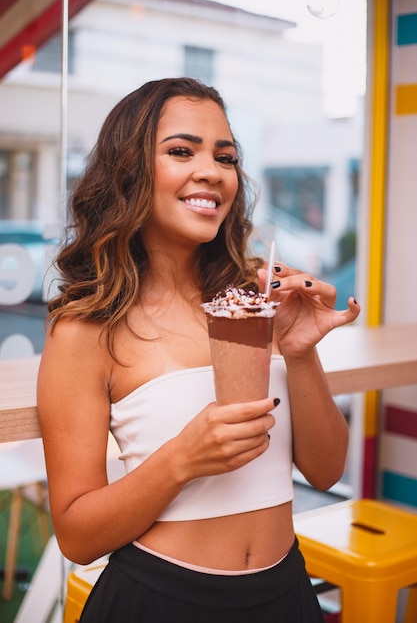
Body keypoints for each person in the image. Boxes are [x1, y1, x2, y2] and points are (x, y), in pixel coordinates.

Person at [37, 77, 360, 622]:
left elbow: (326, 472)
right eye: (181, 151)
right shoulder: (87, 328)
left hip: (285, 593)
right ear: (130, 173)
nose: (212, 170)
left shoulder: (255, 300)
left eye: (225, 156)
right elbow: (76, 536)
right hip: (160, 600)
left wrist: (301, 353)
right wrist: (182, 460)